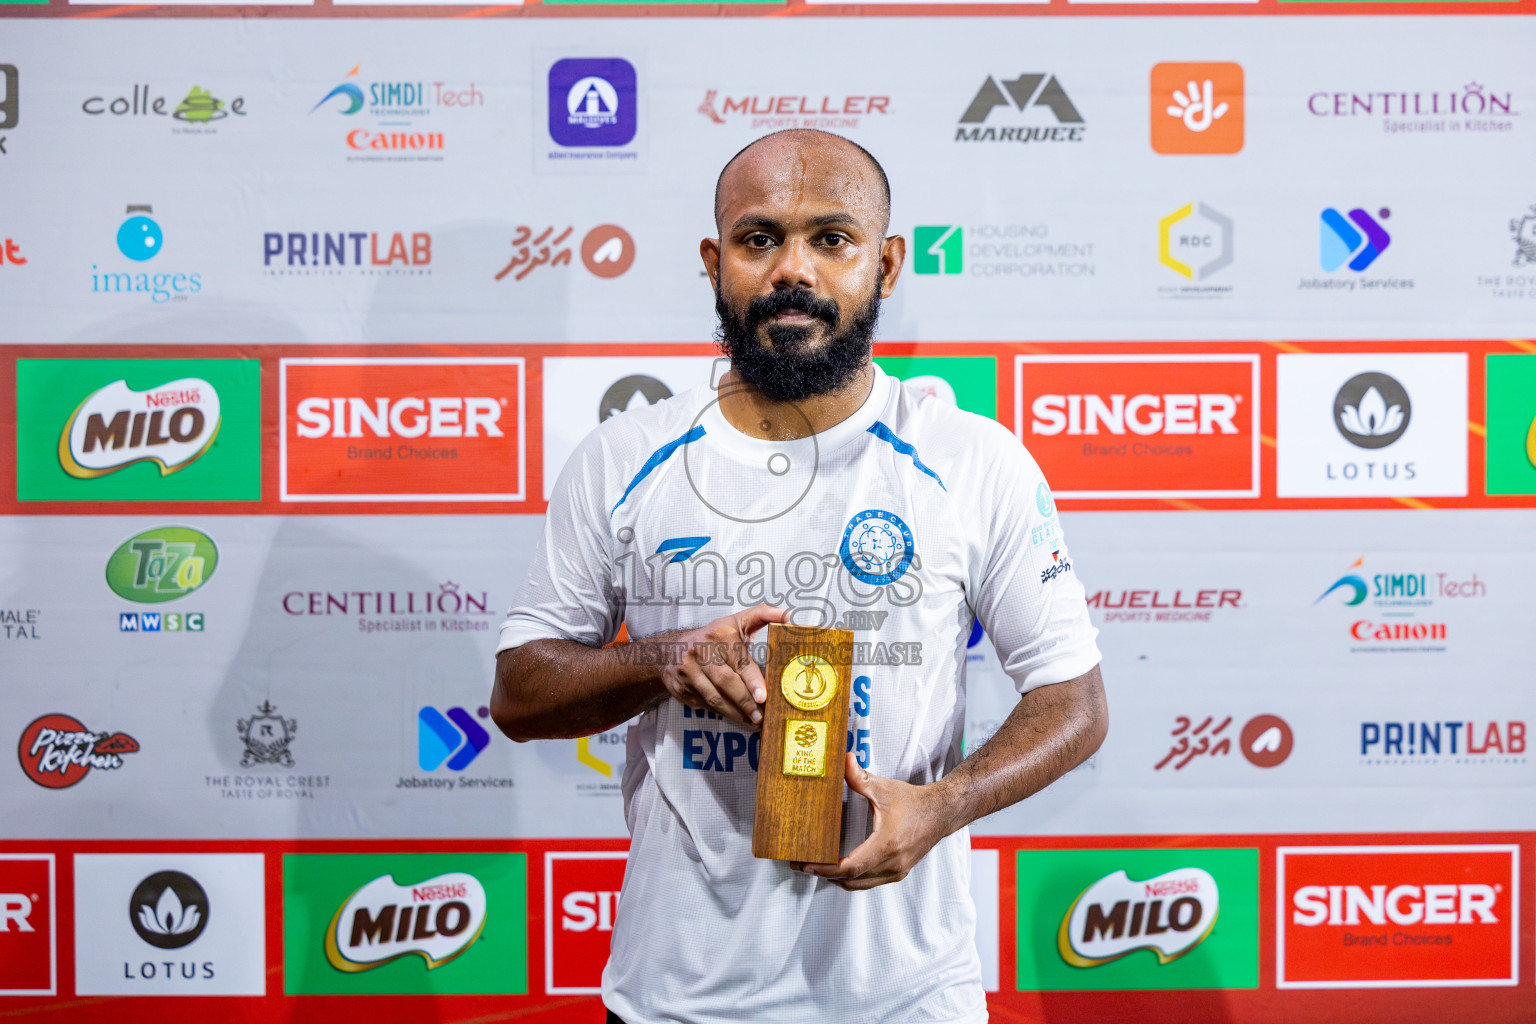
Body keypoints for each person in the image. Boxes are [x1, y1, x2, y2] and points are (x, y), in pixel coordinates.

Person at [491, 129, 1107, 1024]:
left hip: (906, 998)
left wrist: (942, 806)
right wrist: (658, 660)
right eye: (758, 239)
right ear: (714, 262)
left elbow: (1074, 702)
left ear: (887, 264)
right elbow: (518, 696)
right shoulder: (623, 456)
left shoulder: (972, 460)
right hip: (679, 997)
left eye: (831, 238)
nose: (793, 270)